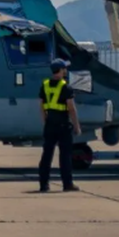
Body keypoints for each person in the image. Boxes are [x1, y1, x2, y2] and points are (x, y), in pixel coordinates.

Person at [38, 58, 81, 192]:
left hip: (50, 123)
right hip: (63, 125)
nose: (65, 71)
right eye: (64, 69)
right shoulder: (65, 87)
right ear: (60, 70)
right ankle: (67, 184)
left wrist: (45, 121)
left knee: (47, 155)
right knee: (65, 156)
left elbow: (41, 105)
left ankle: (44, 184)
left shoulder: (45, 85)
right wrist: (77, 126)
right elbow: (71, 108)